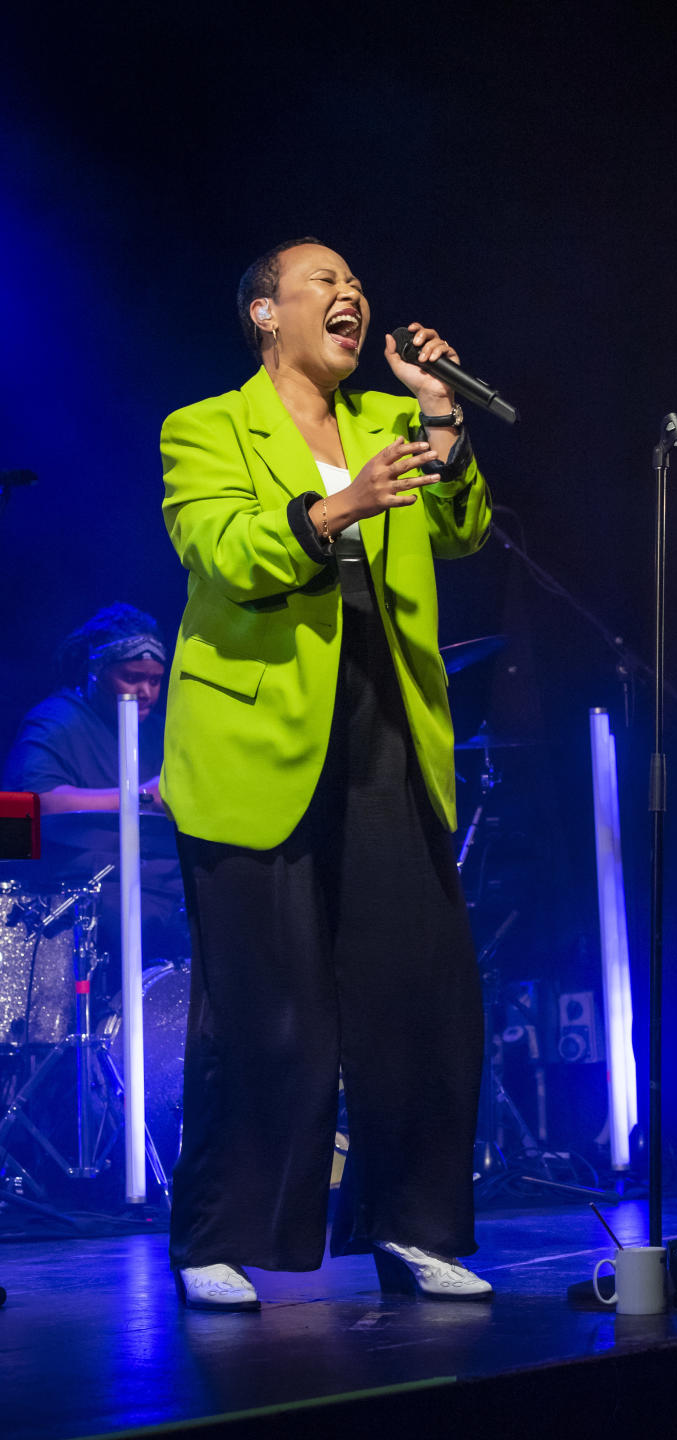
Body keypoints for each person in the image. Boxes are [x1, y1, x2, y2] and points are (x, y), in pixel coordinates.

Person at [160, 238, 493, 1310]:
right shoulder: (205, 427)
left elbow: (468, 527)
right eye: (323, 283)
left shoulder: (392, 426)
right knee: (272, 1013)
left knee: (423, 997)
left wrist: (441, 413)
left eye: (356, 285)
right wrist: (336, 511)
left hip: (385, 736)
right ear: (266, 312)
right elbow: (225, 552)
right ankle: (220, 1235)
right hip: (256, 747)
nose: (351, 296)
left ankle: (413, 1227)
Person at [1, 604, 184, 976]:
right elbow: (38, 804)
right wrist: (141, 797)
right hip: (83, 895)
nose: (146, 692)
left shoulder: (160, 731)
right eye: (132, 677)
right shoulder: (56, 721)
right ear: (96, 670)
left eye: (155, 680)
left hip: (163, 888)